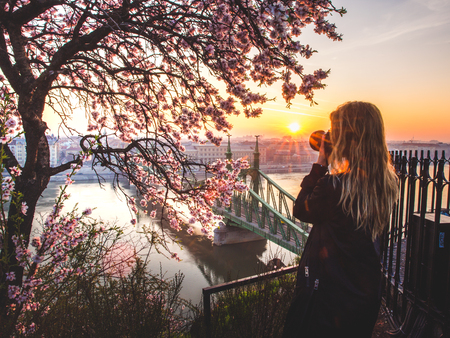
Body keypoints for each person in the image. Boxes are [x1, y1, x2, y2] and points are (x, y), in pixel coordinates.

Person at [282, 101, 398, 338]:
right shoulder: (386, 184)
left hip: (326, 301)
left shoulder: (333, 186)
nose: (330, 137)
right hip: (363, 298)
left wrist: (321, 163)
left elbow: (301, 210)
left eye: (334, 131)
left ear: (348, 138)